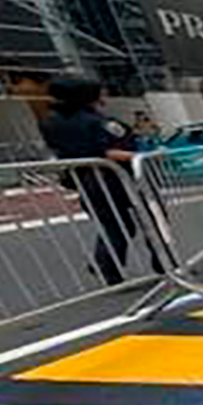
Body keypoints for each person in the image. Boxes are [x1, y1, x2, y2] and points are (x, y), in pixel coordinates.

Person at [40, 73, 161, 286]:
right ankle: (164, 263)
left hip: (85, 179)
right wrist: (144, 157)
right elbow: (107, 151)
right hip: (117, 177)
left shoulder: (51, 123)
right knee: (153, 219)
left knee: (113, 225)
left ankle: (108, 267)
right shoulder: (98, 122)